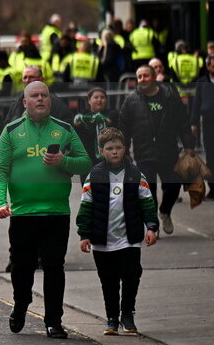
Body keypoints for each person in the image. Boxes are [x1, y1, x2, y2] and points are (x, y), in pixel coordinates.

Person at [0, 81, 91, 338]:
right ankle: (21, 304)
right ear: (25, 103)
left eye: (45, 95)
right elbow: (0, 170)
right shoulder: (11, 131)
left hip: (56, 211)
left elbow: (85, 163)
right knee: (22, 267)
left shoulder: (64, 130)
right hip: (24, 213)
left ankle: (54, 321)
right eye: (35, 96)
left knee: (54, 266)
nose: (41, 99)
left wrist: (64, 161)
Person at [76, 127, 158, 336]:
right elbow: (86, 206)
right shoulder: (94, 176)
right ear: (101, 151)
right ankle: (112, 318)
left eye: (118, 148)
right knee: (108, 280)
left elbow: (147, 202)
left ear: (125, 149)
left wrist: (151, 227)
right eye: (110, 148)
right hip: (102, 239)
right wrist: (84, 234)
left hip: (129, 237)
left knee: (131, 275)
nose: (114, 152)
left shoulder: (134, 174)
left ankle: (127, 313)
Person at [117, 65, 195, 235]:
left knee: (174, 186)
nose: (142, 79)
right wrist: (125, 150)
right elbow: (123, 127)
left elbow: (183, 123)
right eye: (139, 77)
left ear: (154, 77)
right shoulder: (131, 100)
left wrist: (189, 145)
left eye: (145, 76)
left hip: (168, 151)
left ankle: (165, 211)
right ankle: (153, 226)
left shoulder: (170, 96)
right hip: (144, 153)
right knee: (148, 191)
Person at [3, 66, 74, 126]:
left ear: (41, 80)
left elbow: (66, 127)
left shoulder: (56, 103)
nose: (27, 80)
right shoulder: (16, 103)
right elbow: (7, 127)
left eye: (31, 77)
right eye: (25, 78)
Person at [73, 88, 114, 177]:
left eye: (102, 97)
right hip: (87, 160)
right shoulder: (82, 115)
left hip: (108, 159)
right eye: (96, 97)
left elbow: (108, 121)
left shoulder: (112, 113)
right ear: (89, 100)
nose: (99, 100)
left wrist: (85, 119)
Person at [190, 55, 214, 198]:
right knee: (211, 156)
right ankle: (213, 187)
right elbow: (196, 104)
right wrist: (193, 122)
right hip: (208, 123)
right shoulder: (202, 82)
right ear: (208, 66)